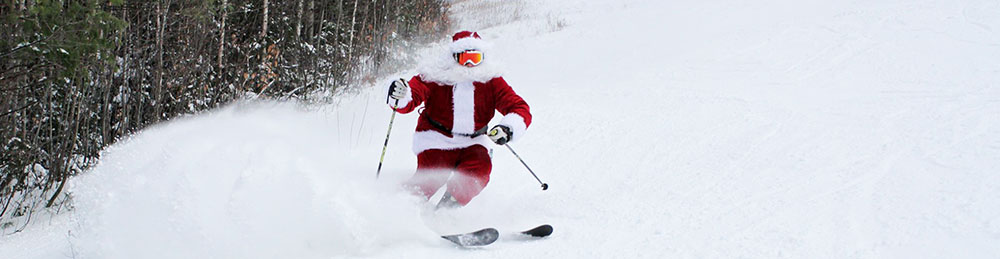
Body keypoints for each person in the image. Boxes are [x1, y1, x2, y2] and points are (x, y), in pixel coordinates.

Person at [386, 31, 532, 209]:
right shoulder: (435, 76)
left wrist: (507, 129)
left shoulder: (491, 80)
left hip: (473, 141)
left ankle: (445, 212)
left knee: (478, 172)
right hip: (437, 139)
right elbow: (411, 97)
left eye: (475, 58)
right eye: (464, 58)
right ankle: (397, 209)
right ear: (453, 57)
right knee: (431, 176)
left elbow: (519, 107)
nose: (470, 65)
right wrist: (401, 95)